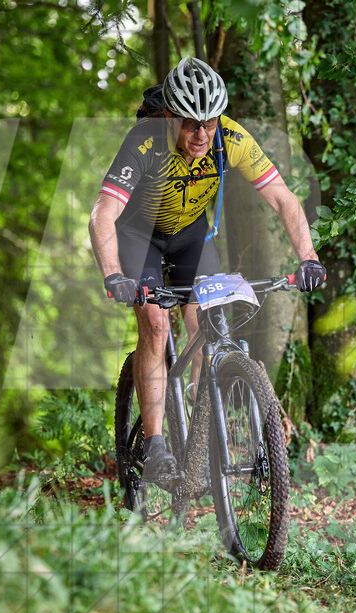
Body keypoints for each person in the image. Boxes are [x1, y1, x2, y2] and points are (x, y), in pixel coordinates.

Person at [88, 56, 326, 489]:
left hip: (191, 236)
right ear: (169, 115)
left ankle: (198, 431)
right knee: (157, 325)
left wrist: (308, 257)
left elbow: (283, 199)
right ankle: (156, 444)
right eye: (190, 123)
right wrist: (112, 276)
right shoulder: (144, 141)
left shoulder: (230, 137)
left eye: (209, 123)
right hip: (139, 235)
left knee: (205, 321)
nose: (200, 134)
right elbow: (103, 214)